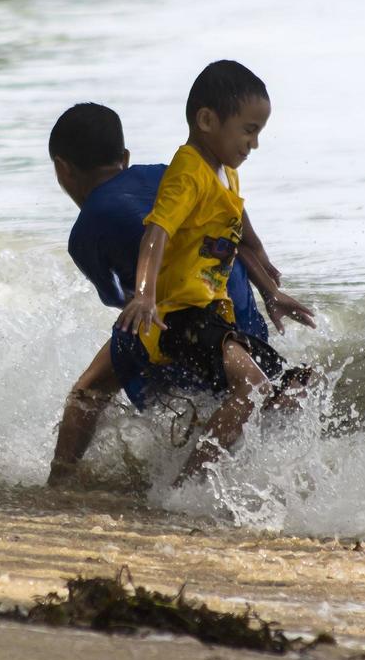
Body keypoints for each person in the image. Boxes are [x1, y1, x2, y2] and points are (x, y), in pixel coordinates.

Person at [46, 101, 312, 488]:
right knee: (253, 381)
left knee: (90, 388)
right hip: (241, 312)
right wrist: (269, 290)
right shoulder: (176, 173)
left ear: (62, 168)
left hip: (183, 316)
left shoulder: (86, 230)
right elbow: (234, 233)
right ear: (125, 157)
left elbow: (122, 301)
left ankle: (60, 481)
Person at [116, 60, 315, 483]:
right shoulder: (188, 171)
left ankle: (264, 479)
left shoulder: (225, 175)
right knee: (255, 387)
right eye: (248, 130)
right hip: (177, 318)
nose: (254, 144)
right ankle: (188, 485)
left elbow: (236, 236)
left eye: (258, 132)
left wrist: (269, 292)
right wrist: (145, 294)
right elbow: (156, 231)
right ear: (207, 120)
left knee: (296, 387)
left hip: (213, 317)